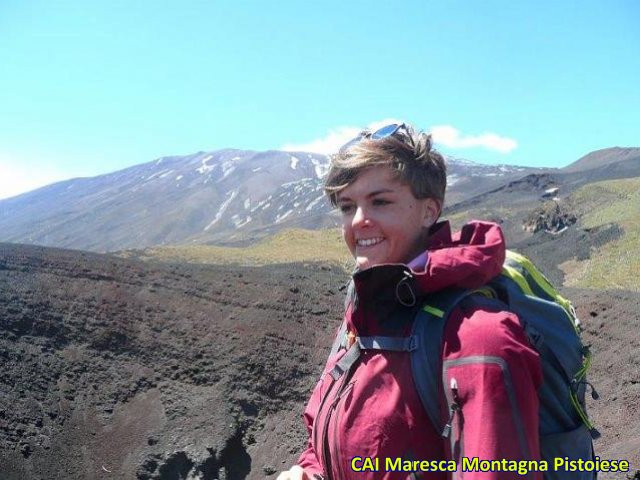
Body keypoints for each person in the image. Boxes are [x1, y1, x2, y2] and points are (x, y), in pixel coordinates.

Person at [278, 123, 542, 480]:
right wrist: (308, 472)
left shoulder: (479, 338)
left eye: (380, 201)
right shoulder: (365, 313)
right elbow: (329, 441)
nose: (358, 222)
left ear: (428, 211)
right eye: (346, 207)